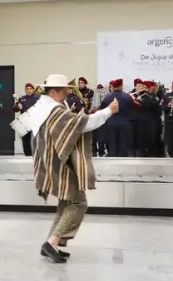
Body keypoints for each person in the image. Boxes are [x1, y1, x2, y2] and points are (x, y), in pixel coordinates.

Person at [29, 74, 119, 262]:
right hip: (59, 163)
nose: (67, 93)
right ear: (53, 91)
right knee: (78, 203)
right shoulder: (54, 110)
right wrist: (108, 111)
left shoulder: (41, 107)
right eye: (63, 91)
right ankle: (51, 243)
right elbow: (81, 124)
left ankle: (51, 243)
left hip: (49, 161)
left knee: (66, 203)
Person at [100, 79, 132, 156]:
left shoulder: (107, 97)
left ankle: (112, 158)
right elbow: (132, 108)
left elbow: (102, 110)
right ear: (121, 86)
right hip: (125, 123)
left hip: (111, 123)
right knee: (123, 143)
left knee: (112, 143)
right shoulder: (127, 97)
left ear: (113, 87)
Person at [13, 82, 39, 156]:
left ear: (33, 90)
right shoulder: (22, 99)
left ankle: (35, 155)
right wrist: (18, 107)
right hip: (24, 122)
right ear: (25, 90)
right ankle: (27, 155)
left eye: (30, 89)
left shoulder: (37, 99)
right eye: (27, 89)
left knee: (34, 140)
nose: (29, 90)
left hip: (34, 122)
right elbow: (15, 109)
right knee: (25, 140)